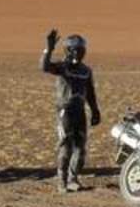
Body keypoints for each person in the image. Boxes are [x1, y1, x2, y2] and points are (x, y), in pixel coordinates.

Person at [41, 29, 101, 193]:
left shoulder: (86, 71)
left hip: (79, 111)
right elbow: (44, 67)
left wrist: (95, 111)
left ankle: (73, 178)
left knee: (80, 147)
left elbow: (90, 92)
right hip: (65, 111)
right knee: (66, 146)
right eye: (76, 49)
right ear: (69, 50)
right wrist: (49, 49)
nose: (79, 53)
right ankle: (62, 180)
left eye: (81, 49)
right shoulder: (63, 67)